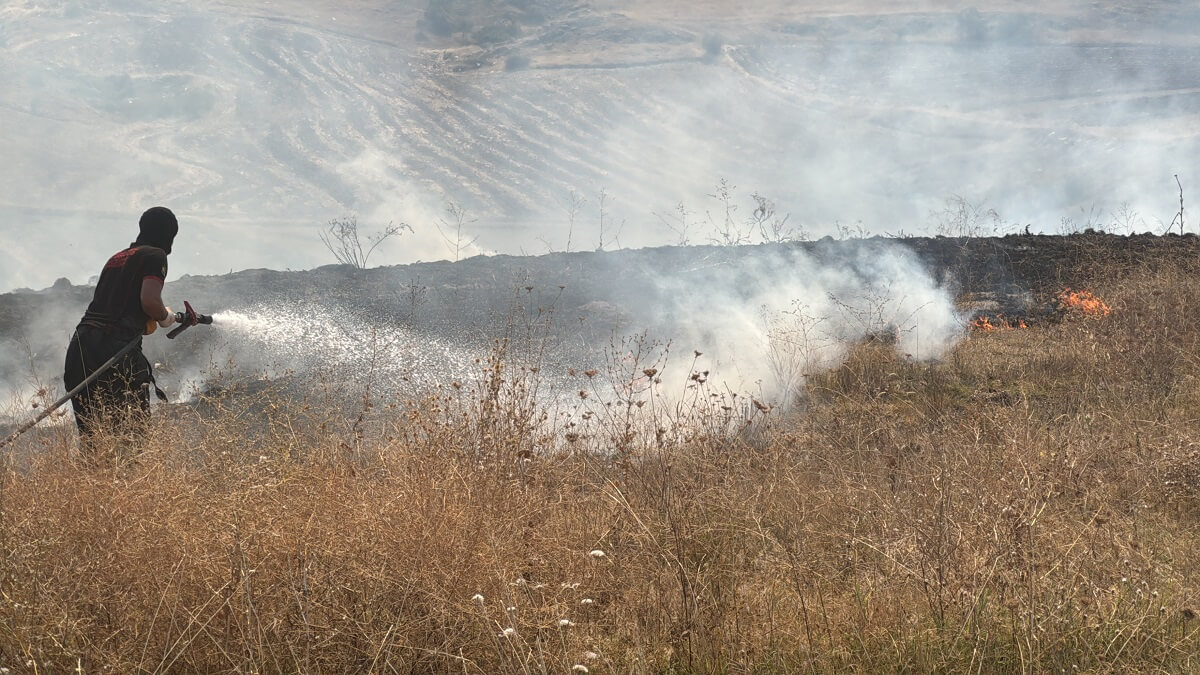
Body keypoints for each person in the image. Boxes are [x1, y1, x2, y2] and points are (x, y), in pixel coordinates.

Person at [63, 207, 179, 441]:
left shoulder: (117, 257)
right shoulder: (155, 255)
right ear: (169, 234)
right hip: (114, 349)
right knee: (132, 437)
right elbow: (149, 301)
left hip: (81, 347)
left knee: (94, 439)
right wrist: (165, 318)